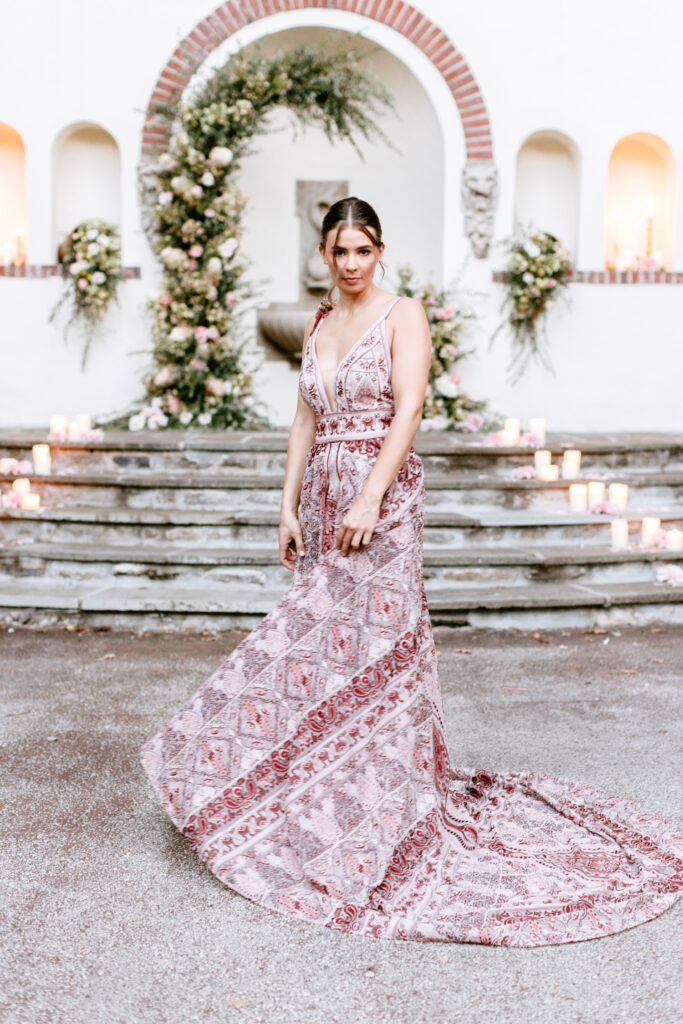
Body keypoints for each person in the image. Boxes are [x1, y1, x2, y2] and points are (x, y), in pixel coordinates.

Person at [140, 196, 683, 946]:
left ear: (379, 252)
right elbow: (304, 417)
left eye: (363, 251)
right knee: (326, 647)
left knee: (365, 641)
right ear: (325, 257)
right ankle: (318, 788)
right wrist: (286, 507)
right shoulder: (319, 325)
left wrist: (371, 494)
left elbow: (409, 407)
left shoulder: (402, 314)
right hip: (325, 496)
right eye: (340, 252)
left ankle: (377, 794)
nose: (352, 264)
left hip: (380, 497)